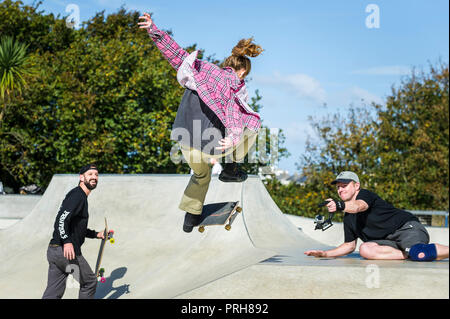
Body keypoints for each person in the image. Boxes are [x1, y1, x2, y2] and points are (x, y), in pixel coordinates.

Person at [138, 12, 263, 232]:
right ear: (241, 72)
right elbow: (234, 111)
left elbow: (175, 54)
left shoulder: (202, 69)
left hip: (185, 140)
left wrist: (153, 29)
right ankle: (232, 167)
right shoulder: (234, 83)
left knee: (201, 174)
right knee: (252, 124)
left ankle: (191, 218)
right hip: (210, 145)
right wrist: (233, 137)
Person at [304, 171, 449, 261]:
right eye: (338, 187)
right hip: (388, 243)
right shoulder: (348, 216)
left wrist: (340, 205)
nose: (341, 190)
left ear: (356, 186)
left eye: (345, 185)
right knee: (364, 250)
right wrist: (325, 254)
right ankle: (407, 253)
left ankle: (413, 251)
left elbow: (359, 206)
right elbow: (349, 246)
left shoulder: (365, 195)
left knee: (420, 254)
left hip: (406, 229)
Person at [42, 164, 104, 299]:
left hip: (54, 251)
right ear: (81, 177)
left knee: (53, 293)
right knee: (89, 282)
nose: (94, 177)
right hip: (66, 252)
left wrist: (96, 234)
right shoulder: (78, 196)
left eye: (96, 175)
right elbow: (61, 219)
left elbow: (76, 227)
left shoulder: (79, 196)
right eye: (90, 174)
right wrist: (67, 242)